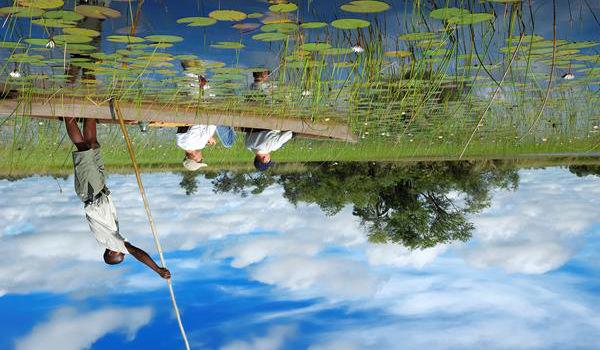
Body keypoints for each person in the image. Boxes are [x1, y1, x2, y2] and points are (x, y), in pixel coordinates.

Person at [64, 117, 171, 279]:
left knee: (82, 148)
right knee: (93, 145)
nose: (124, 251)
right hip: (99, 189)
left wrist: (158, 270)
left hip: (90, 191)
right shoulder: (111, 236)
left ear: (112, 253)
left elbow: (136, 252)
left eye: (121, 254)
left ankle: (66, 113)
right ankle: (90, 112)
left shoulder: (109, 243)